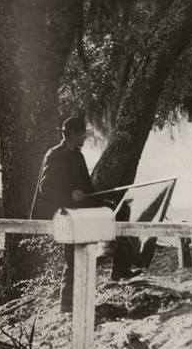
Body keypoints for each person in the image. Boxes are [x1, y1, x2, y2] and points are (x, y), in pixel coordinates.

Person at [30, 117, 141, 313]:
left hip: (78, 207)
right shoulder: (54, 155)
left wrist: (101, 200)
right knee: (73, 254)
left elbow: (88, 188)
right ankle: (67, 303)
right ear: (73, 135)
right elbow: (45, 188)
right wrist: (69, 194)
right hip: (61, 211)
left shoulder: (78, 156)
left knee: (119, 209)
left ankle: (120, 268)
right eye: (83, 133)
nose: (85, 136)